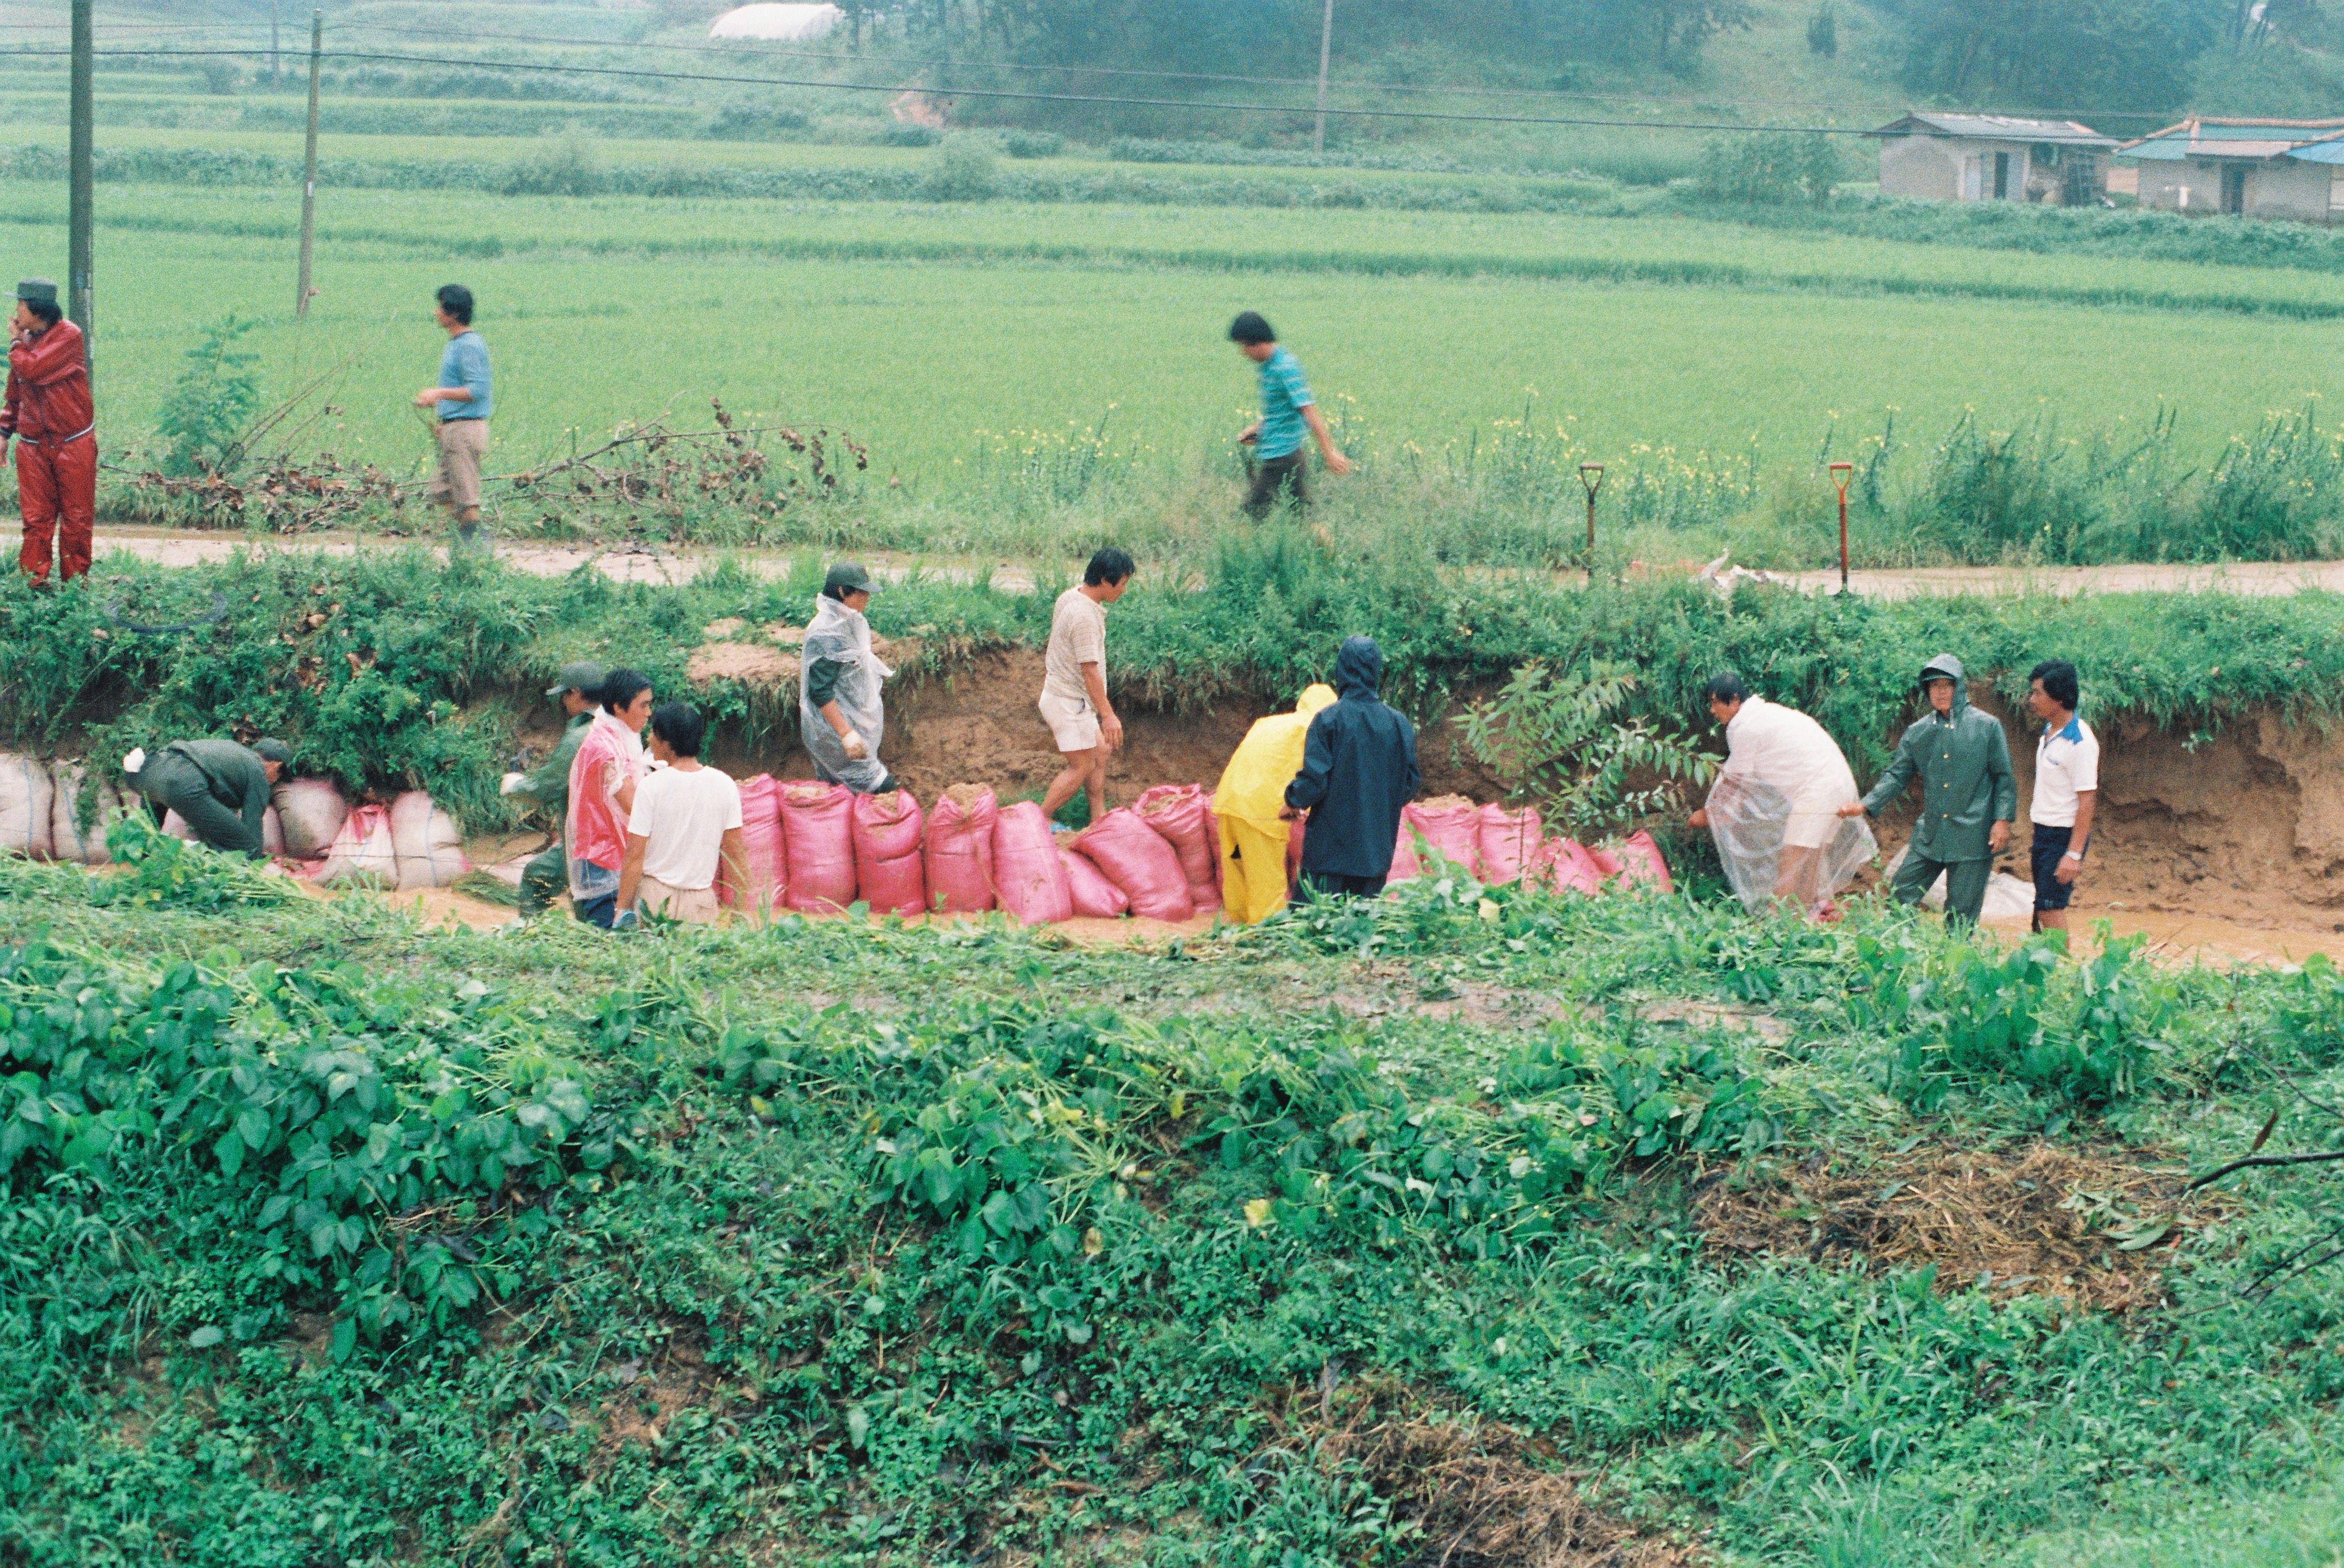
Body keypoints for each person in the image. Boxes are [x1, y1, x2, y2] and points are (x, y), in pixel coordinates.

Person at [1840, 654, 2016, 928]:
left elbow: (2004, 778)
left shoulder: (1987, 727)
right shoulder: (1918, 732)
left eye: (1948, 685)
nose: (1941, 691)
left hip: (1973, 835)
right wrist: (1865, 804)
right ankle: (1909, 955)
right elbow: (1898, 773)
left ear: (1960, 687)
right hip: (1931, 832)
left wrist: (2002, 822)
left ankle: (1954, 965)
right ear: (1927, 690)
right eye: (1934, 686)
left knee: (1961, 914)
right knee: (1901, 894)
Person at [1689, 673, 1871, 919]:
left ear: (1734, 700)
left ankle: (1777, 924)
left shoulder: (1743, 725)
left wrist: (1709, 813)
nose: (1712, 710)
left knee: (1792, 857)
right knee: (1809, 857)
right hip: (1838, 784)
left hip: (1819, 787)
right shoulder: (1764, 714)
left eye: (1715, 703)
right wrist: (1717, 811)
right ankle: (1805, 916)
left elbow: (1736, 779)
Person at [1282, 636, 1419, 899]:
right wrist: (1376, 808)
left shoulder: (1328, 720)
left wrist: (1292, 801)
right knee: (1361, 933)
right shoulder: (1399, 725)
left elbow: (1314, 781)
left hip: (1328, 857)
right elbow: (1410, 783)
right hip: (1374, 857)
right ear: (1376, 672)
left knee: (1313, 930)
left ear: (1341, 670)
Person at [1212, 681, 1338, 924]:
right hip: (1261, 812)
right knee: (1267, 887)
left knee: (1238, 876)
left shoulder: (1268, 722)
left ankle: (1236, 928)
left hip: (1228, 801)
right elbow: (1314, 777)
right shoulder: (1313, 729)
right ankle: (1266, 940)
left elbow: (1276, 764)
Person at [612, 702, 746, 929]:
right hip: (700, 905)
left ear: (667, 744)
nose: (649, 739)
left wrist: (622, 910)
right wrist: (741, 912)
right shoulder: (725, 785)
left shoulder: (651, 786)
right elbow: (736, 854)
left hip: (654, 900)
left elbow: (635, 854)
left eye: (653, 733)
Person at [3, 279, 96, 588]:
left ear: (36, 310)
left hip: (73, 441)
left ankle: (75, 589)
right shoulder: (26, 342)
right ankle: (35, 584)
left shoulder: (69, 336)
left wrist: (15, 343)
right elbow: (15, 391)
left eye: (20, 305)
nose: (15, 311)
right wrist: (4, 433)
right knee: (36, 520)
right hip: (32, 446)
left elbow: (32, 370)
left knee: (77, 519)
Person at [501, 660, 606, 920]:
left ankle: (536, 941)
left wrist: (514, 785)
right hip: (610, 837)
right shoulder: (616, 726)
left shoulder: (580, 736)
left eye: (564, 695)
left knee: (546, 883)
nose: (563, 703)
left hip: (586, 843)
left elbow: (544, 787)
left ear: (576, 693)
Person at [1039, 547, 1135, 824]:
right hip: (1068, 702)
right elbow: (1090, 672)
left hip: (1068, 696)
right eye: (1123, 583)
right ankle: (1040, 820)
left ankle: (1097, 819)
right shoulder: (1085, 618)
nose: (1124, 590)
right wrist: (1108, 715)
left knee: (1100, 751)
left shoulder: (1071, 596)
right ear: (1106, 580)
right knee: (1081, 767)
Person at [1229, 311, 1350, 519]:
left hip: (1281, 459)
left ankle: (1238, 552)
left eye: (1243, 345)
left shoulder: (1285, 368)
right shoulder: (1268, 367)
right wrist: (1257, 430)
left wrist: (1329, 453)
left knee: (1247, 518)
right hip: (1284, 455)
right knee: (1304, 520)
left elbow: (1309, 411)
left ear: (1256, 342)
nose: (1243, 352)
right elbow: (1280, 411)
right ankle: (1332, 552)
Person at [801, 562, 900, 795]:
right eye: (861, 592)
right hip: (833, 731)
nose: (867, 597)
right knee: (881, 786)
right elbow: (820, 691)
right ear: (842, 592)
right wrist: (847, 734)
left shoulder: (845, 621)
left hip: (848, 722)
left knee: (839, 794)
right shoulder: (827, 633)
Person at [566, 668, 653, 930]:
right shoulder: (604, 748)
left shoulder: (620, 736)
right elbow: (635, 807)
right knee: (609, 945)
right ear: (619, 708)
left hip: (616, 854)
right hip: (601, 860)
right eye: (644, 705)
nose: (649, 712)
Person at [413, 283, 492, 542]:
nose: (436, 313)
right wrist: (443, 417)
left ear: (453, 313)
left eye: (440, 308)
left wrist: (438, 394)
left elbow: (477, 390)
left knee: (467, 499)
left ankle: (478, 559)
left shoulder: (468, 345)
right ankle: (463, 549)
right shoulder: (456, 344)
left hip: (465, 430)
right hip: (454, 427)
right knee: (444, 493)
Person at [2025, 658, 2098, 937]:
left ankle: (2065, 976)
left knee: (2050, 908)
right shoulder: (2050, 731)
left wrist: (2073, 854)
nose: (2032, 699)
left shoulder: (2080, 742)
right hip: (2043, 832)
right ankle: (2044, 970)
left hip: (2062, 836)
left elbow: (2087, 800)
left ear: (2058, 699)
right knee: (2041, 909)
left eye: (2038, 693)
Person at [122, 737, 292, 855]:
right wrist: (255, 859)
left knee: (147, 840)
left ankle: (146, 868)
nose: (274, 782)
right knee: (246, 846)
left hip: (144, 774)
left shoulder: (231, 754)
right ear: (276, 766)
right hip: (182, 781)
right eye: (279, 777)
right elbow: (252, 825)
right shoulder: (257, 772)